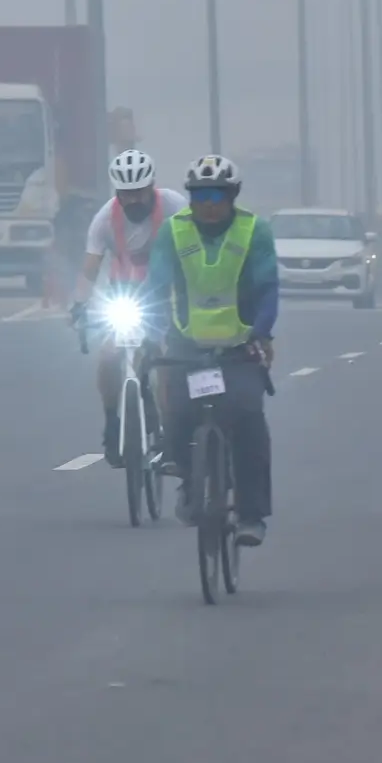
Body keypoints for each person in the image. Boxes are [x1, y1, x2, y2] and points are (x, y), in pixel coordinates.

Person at [139, 154, 279, 547]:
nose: (209, 203)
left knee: (249, 420)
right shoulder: (173, 231)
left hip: (239, 345)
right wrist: (152, 332)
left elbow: (268, 290)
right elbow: (155, 287)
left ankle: (251, 516)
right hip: (188, 346)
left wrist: (262, 333)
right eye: (200, 195)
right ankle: (189, 479)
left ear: (232, 195)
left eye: (218, 194)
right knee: (180, 413)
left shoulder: (256, 231)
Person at [70, 149, 189, 467]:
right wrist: (79, 305)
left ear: (152, 186)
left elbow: (195, 243)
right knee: (109, 356)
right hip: (126, 294)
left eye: (140, 192)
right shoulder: (104, 220)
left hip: (168, 293)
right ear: (117, 194)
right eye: (127, 194)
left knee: (166, 363)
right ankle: (112, 422)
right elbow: (90, 268)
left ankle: (168, 433)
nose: (134, 200)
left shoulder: (176, 205)